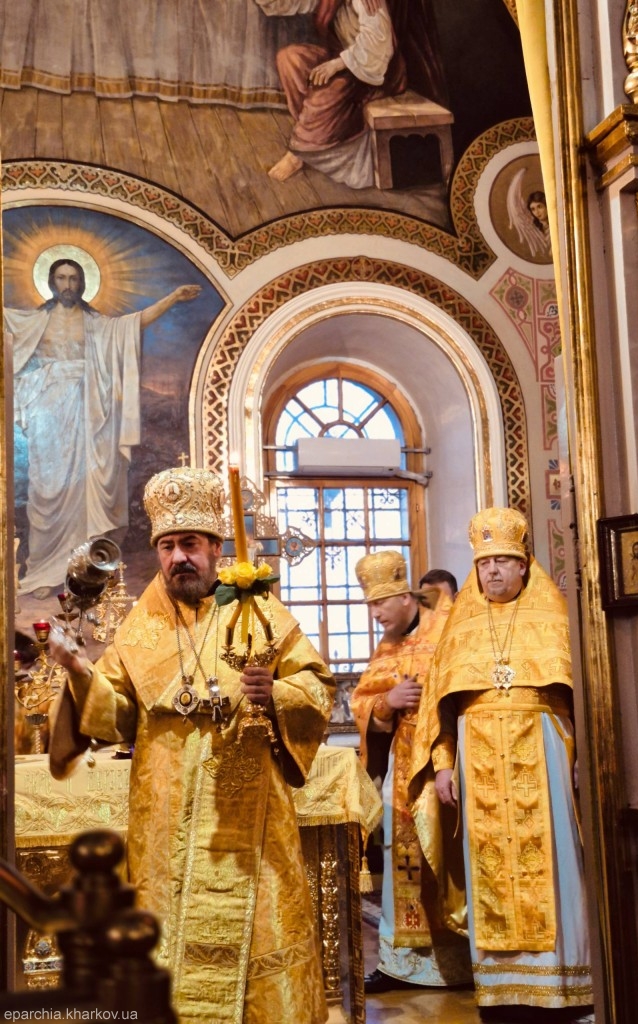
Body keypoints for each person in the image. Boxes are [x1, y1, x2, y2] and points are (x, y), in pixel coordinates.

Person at [47, 465, 335, 1024]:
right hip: (167, 820)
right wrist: (80, 671)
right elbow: (119, 716)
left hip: (250, 817)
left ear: (215, 548)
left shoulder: (258, 610)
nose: (179, 557)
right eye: (168, 546)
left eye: (190, 544)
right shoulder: (140, 628)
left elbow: (316, 687)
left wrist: (276, 692)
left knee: (261, 931)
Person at [410, 507, 594, 1021]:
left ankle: (562, 985)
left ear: (523, 564)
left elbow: (579, 697)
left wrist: (582, 755)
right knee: (487, 866)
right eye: (483, 562)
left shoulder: (553, 616)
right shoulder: (461, 625)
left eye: (502, 561)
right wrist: (442, 765)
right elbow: (441, 707)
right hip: (478, 754)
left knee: (554, 862)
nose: (491, 571)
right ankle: (501, 990)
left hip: (543, 749)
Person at [5, 258, 201, 598]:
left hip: (89, 413)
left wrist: (171, 299)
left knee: (86, 489)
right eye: (61, 278)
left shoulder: (97, 325)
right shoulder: (34, 321)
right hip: (47, 412)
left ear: (82, 283)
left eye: (73, 279)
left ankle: (86, 572)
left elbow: (134, 323)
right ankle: (44, 572)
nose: (68, 285)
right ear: (51, 282)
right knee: (45, 490)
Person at [349, 550, 472, 993]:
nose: (375, 613)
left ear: (405, 596)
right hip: (403, 769)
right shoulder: (388, 644)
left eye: (380, 603)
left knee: (453, 861)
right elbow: (362, 699)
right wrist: (388, 703)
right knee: (403, 861)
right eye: (369, 605)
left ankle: (467, 961)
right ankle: (401, 964)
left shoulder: (447, 625)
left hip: (452, 762)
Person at [256, 0, 447, 189]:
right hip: (345, 62)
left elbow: (378, 46)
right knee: (289, 59)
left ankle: (298, 153)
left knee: (325, 95)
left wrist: (336, 65)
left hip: (374, 72)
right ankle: (316, 133)